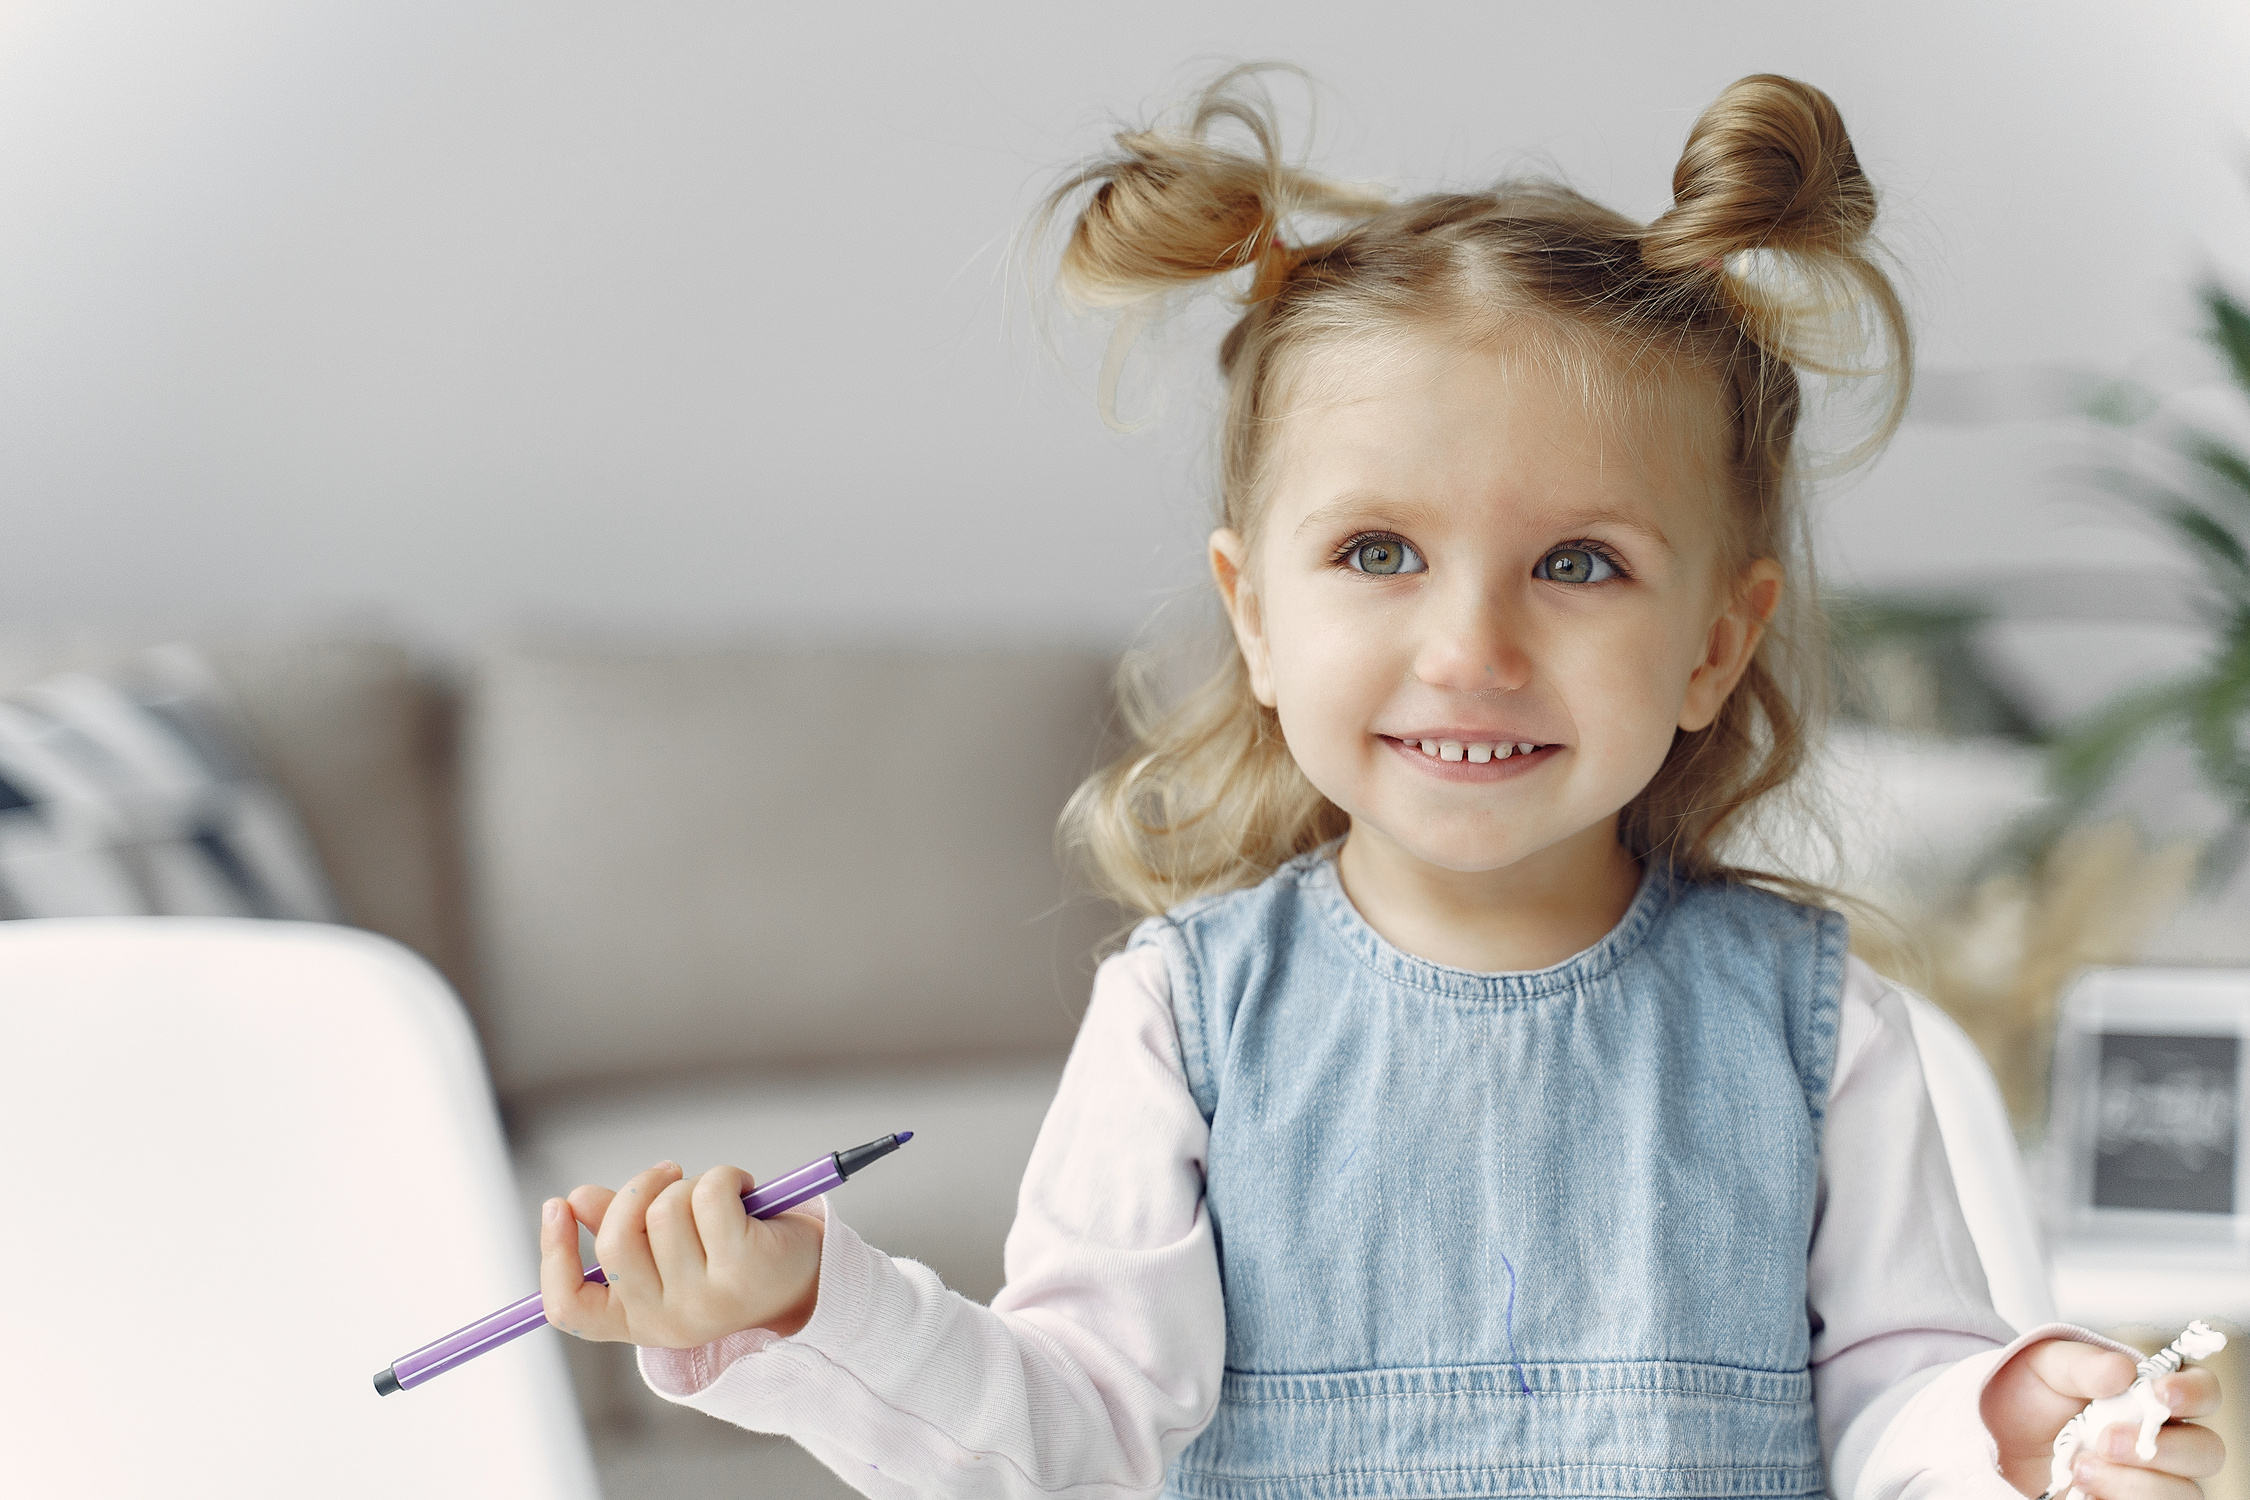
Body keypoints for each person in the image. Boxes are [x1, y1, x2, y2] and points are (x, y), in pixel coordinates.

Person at [536, 66, 2226, 1500]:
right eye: (1376, 553)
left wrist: (2007, 1424)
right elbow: (1068, 1434)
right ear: (1253, 618)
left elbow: (1892, 1408)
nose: (1470, 648)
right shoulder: (1183, 1023)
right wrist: (807, 1311)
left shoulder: (1816, 1027)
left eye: (1577, 563)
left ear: (1716, 644)